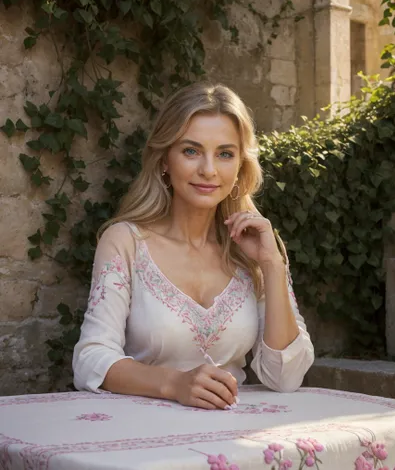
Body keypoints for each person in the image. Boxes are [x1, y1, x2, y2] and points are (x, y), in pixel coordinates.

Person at [72, 81, 314, 411]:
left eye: (225, 154)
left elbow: (285, 377)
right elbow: (91, 358)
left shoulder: (254, 251)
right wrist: (175, 384)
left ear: (240, 167)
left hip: (234, 439)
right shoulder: (126, 242)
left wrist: (272, 265)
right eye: (191, 151)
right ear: (164, 161)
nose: (208, 170)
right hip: (142, 437)